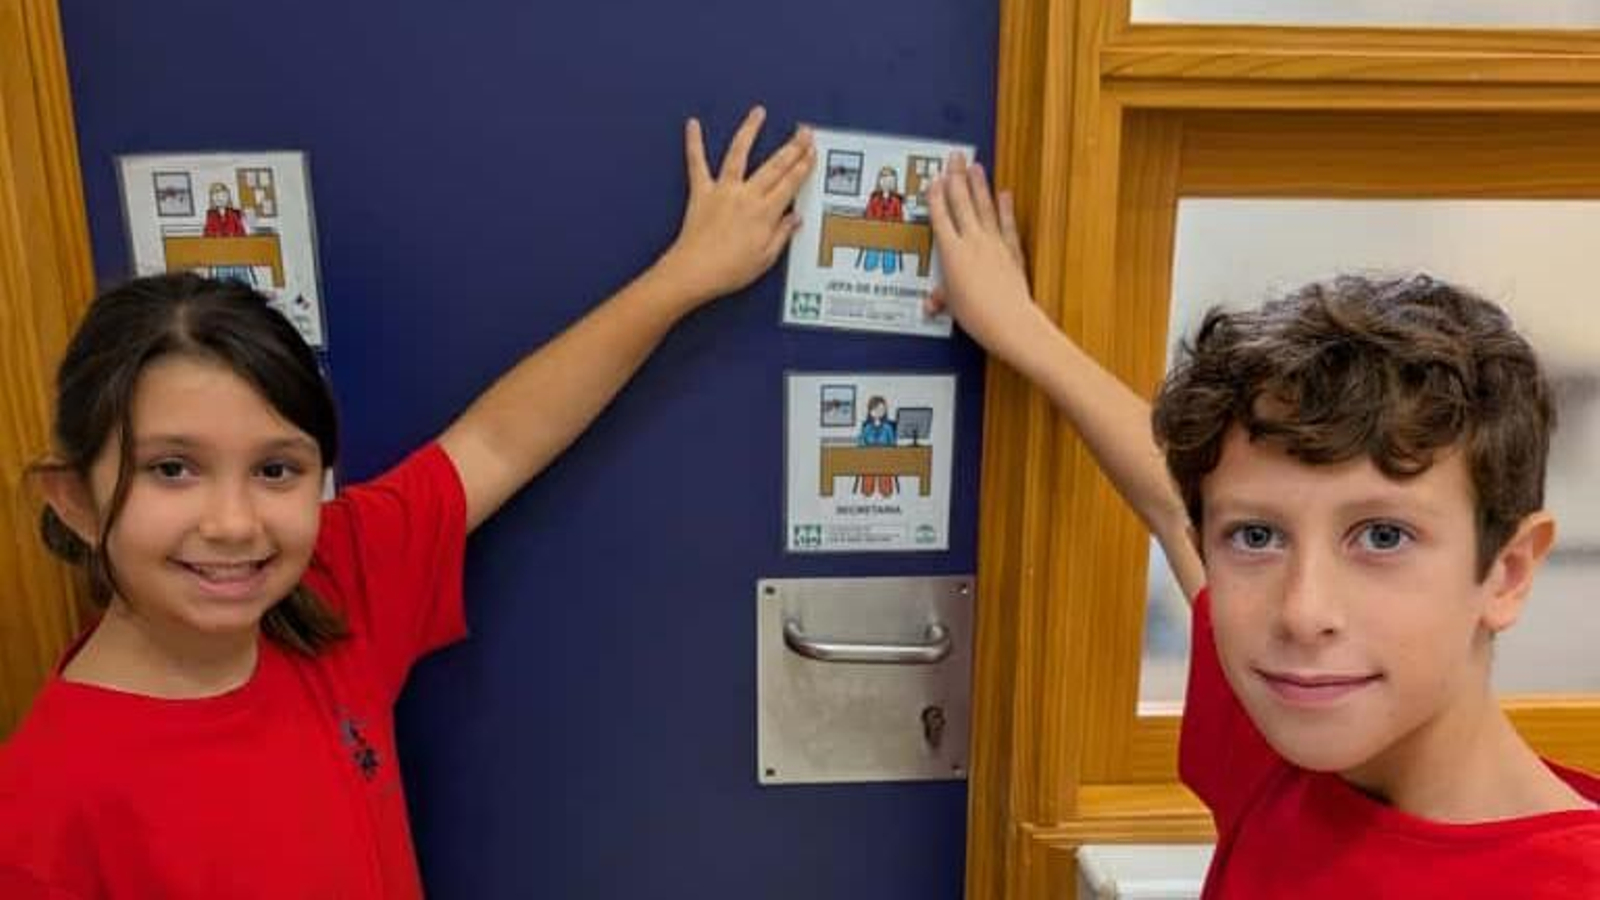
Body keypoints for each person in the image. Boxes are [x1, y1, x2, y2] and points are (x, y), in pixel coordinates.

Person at [0, 106, 814, 899]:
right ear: (73, 498)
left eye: (277, 470)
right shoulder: (43, 812)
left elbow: (498, 441)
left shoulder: (333, 579)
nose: (234, 523)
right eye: (173, 469)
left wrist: (682, 278)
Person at [926, 154, 1600, 896]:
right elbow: (1169, 497)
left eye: (1382, 537)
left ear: (1507, 572)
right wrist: (1022, 331)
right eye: (1257, 538)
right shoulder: (1285, 739)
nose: (1303, 612)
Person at [858, 165, 905, 275]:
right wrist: (876, 220)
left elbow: (900, 218)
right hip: (875, 233)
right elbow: (868, 215)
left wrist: (891, 221)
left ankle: (889, 272)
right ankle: (869, 270)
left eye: (890, 181)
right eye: (884, 180)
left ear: (894, 183)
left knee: (889, 254)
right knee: (872, 254)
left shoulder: (896, 201)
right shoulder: (874, 199)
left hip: (891, 235)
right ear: (879, 181)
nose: (887, 183)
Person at [856, 394, 897, 497]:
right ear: (870, 411)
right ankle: (867, 492)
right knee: (868, 482)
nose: (879, 412)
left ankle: (886, 492)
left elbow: (893, 444)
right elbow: (861, 443)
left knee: (885, 482)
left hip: (885, 459)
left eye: (882, 409)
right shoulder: (867, 427)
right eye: (876, 409)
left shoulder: (888, 427)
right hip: (869, 459)